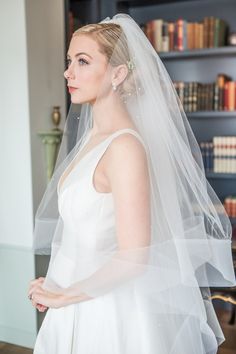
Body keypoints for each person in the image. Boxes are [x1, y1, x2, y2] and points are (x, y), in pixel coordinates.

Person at [29, 13, 235, 354]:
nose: (68, 72)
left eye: (82, 61)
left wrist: (65, 293)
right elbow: (81, 237)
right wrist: (54, 284)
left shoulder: (124, 148)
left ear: (118, 74)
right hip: (75, 299)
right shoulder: (94, 138)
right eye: (69, 61)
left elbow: (134, 258)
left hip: (109, 313)